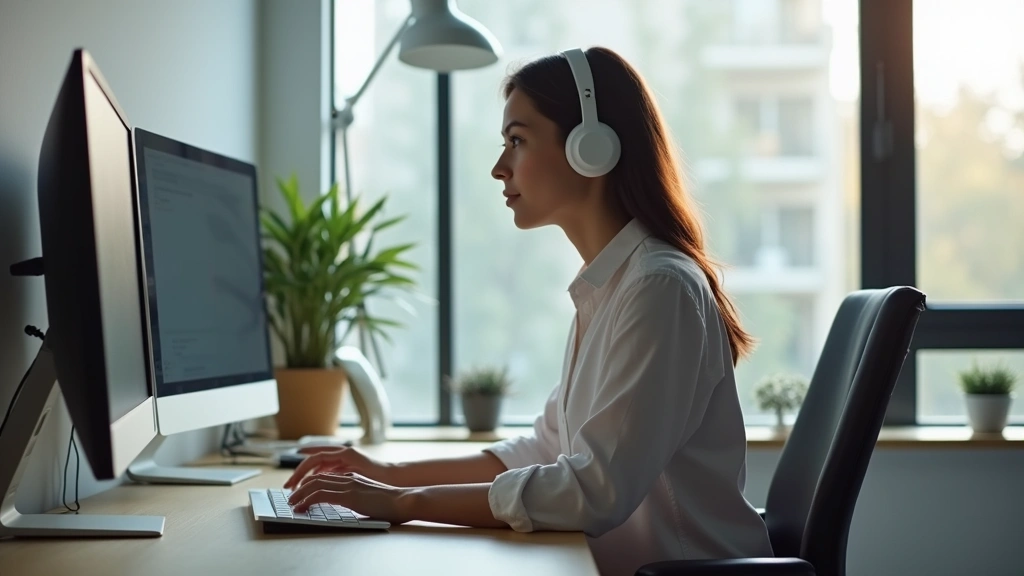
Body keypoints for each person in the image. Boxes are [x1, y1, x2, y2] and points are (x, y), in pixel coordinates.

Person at [283, 46, 774, 576]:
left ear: (592, 147)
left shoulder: (659, 287)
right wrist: (387, 473)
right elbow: (543, 447)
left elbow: (593, 491)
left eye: (517, 141)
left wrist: (405, 504)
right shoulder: (610, 286)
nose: (499, 168)